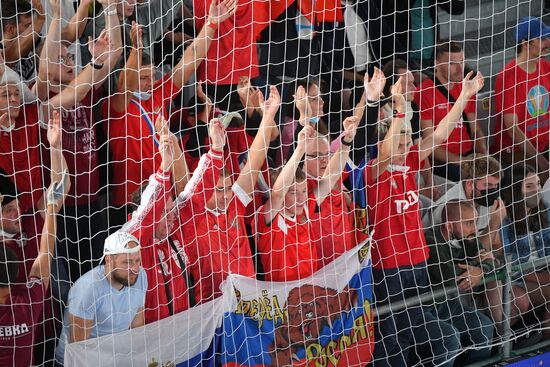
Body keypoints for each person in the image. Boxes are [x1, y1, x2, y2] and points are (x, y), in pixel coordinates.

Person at [366, 68, 484, 366]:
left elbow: (440, 132)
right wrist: (399, 106)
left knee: (441, 338)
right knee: (394, 344)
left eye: (409, 142)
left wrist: (464, 97)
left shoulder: (409, 162)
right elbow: (389, 145)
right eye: (402, 142)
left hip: (418, 260)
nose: (409, 148)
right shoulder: (372, 174)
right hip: (390, 269)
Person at [103, 0, 236, 221]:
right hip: (128, 200)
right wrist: (136, 50)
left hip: (163, 194)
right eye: (144, 77)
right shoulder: (115, 105)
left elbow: (189, 61)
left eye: (152, 76)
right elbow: (124, 86)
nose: (149, 82)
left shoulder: (156, 93)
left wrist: (212, 23)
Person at [34, 0, 123, 284]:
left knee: (98, 276)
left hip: (93, 201)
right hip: (62, 207)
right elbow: (50, 73)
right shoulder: (44, 102)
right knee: (68, 283)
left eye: (71, 57)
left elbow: (116, 51)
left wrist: (109, 10)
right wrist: (57, 16)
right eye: (63, 59)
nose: (70, 62)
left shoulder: (84, 91)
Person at [177, 86, 280, 303]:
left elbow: (254, 161)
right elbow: (181, 176)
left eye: (227, 188)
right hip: (215, 313)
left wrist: (268, 116)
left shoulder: (235, 204)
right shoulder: (192, 216)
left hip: (250, 306)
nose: (226, 195)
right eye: (219, 189)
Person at [122, 116, 227, 323]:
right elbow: (146, 214)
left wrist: (216, 149)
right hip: (151, 343)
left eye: (171, 209)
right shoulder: (133, 242)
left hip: (183, 335)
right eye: (163, 212)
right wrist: (165, 167)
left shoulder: (176, 229)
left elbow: (196, 193)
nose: (171, 217)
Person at [0, 110, 69, 367]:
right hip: (24, 319)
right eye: (9, 210)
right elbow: (44, 256)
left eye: (17, 205)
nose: (17, 212)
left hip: (41, 322)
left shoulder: (29, 218)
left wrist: (55, 147)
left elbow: (60, 189)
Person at [257, 115, 359, 281]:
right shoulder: (270, 219)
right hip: (284, 298)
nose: (301, 198)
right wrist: (299, 150)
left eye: (304, 191)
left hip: (312, 292)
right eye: (293, 192)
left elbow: (331, 177)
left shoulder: (306, 207)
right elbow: (277, 194)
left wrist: (346, 141)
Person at [54, 231, 147, 365]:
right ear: (108, 260)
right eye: (127, 262)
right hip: (76, 360)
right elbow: (78, 348)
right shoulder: (88, 289)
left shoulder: (140, 276)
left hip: (115, 356)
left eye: (137, 261)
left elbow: (137, 328)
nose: (134, 268)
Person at [424, 200, 495, 364]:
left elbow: (492, 260)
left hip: (444, 303)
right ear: (449, 226)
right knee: (450, 337)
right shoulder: (430, 240)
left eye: (475, 223)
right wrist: (475, 268)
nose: (475, 229)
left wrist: (481, 269)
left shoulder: (468, 237)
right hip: (423, 308)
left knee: (484, 326)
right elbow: (449, 277)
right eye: (469, 223)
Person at [416, 41, 487, 181]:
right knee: (466, 179)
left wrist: (484, 154)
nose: (460, 69)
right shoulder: (424, 93)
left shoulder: (466, 86)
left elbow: (476, 130)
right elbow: (431, 145)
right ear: (437, 64)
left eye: (462, 61)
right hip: (444, 162)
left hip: (469, 155)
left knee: (500, 173)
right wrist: (463, 162)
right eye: (452, 64)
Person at [490, 16, 550, 176]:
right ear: (525, 44)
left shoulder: (545, 66)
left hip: (544, 145)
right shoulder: (508, 76)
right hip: (516, 152)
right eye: (542, 38)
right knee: (538, 182)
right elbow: (513, 130)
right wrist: (541, 161)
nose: (548, 42)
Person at [500, 163, 550, 340]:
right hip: (517, 280)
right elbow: (508, 263)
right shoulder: (503, 219)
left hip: (542, 274)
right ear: (515, 190)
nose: (536, 190)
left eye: (538, 184)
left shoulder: (545, 211)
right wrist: (541, 275)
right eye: (529, 186)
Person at [425, 155, 507, 251]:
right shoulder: (450, 209)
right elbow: (467, 256)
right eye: (487, 185)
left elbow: (496, 245)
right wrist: (494, 223)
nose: (492, 191)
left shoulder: (484, 199)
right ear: (470, 184)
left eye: (495, 185)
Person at [0, 0, 45, 83]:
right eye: (27, 26)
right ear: (10, 29)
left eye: (32, 25)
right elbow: (13, 53)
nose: (31, 30)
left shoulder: (33, 46)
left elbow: (67, 35)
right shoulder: (2, 54)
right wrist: (40, 19)